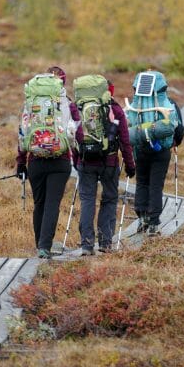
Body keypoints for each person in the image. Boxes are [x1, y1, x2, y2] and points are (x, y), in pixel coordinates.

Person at [16, 66, 79, 260]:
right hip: (60, 162)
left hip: (35, 161)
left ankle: (39, 246)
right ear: (62, 83)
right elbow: (76, 133)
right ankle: (45, 247)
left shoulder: (30, 103)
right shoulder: (68, 104)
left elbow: (23, 134)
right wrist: (77, 159)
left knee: (40, 204)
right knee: (52, 204)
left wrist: (21, 163)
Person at [74, 79, 135, 255]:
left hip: (85, 163)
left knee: (87, 201)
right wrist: (130, 165)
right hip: (109, 163)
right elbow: (125, 141)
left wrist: (77, 161)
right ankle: (105, 243)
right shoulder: (115, 109)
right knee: (109, 200)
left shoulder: (80, 109)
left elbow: (74, 137)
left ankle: (86, 244)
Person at [126, 70, 184, 236]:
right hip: (161, 150)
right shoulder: (169, 104)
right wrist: (175, 142)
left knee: (142, 182)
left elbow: (129, 124)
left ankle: (142, 217)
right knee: (156, 185)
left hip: (140, 149)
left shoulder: (136, 105)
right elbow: (179, 127)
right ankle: (153, 223)